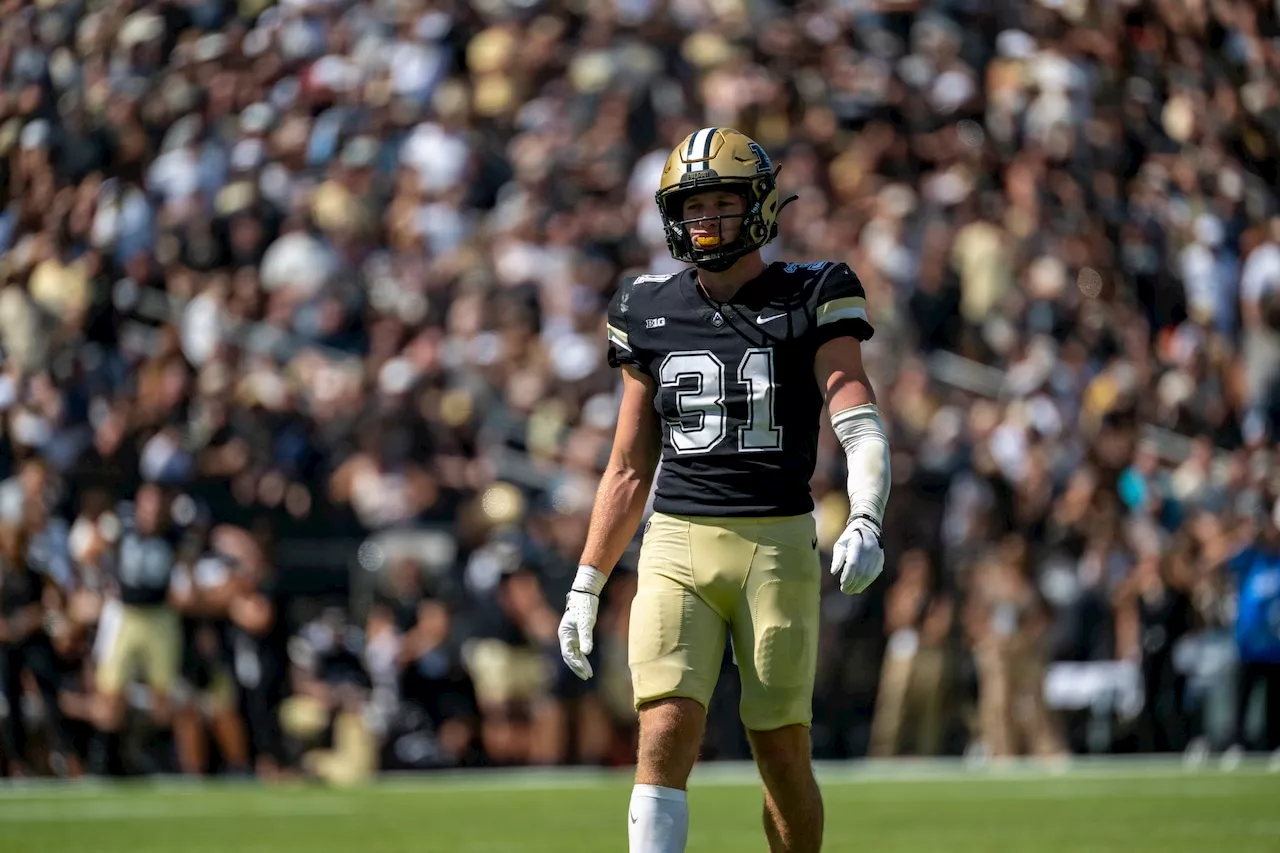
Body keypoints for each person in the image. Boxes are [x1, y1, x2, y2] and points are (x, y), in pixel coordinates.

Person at [557, 128, 891, 853]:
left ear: (761, 206)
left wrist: (865, 514)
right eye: (694, 206)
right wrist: (587, 582)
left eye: (722, 204)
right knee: (665, 728)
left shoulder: (815, 291)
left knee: (779, 749)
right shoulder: (647, 306)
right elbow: (626, 466)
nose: (706, 220)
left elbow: (858, 417)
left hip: (776, 542)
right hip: (676, 539)